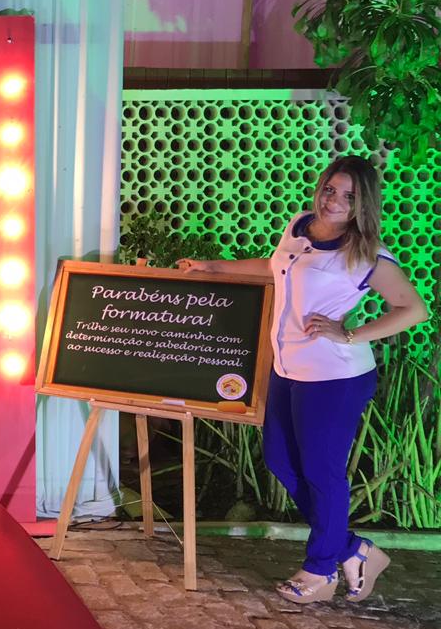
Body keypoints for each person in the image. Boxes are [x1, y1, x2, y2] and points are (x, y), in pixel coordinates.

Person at [178, 156, 427, 605]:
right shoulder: (299, 225)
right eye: (330, 189)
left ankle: (321, 570)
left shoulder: (367, 253)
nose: (334, 201)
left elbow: (413, 309)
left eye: (349, 196)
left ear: (364, 203)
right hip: (287, 369)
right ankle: (353, 549)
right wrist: (212, 267)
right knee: (280, 461)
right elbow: (276, 267)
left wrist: (348, 333)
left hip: (334, 377)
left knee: (321, 472)